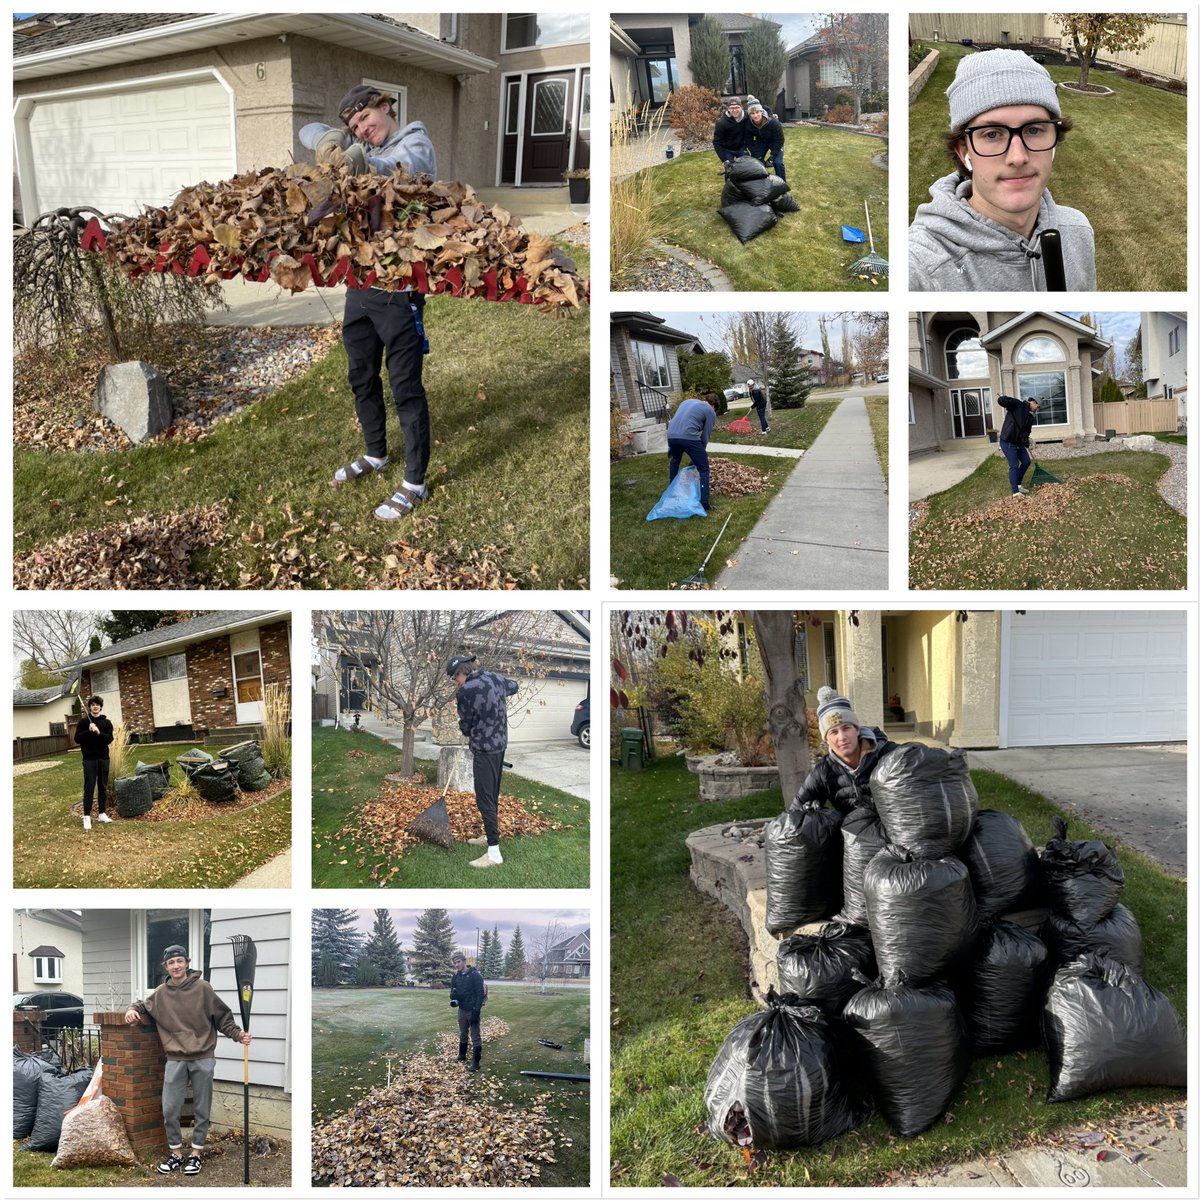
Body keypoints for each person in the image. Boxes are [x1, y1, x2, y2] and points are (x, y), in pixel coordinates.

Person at [299, 86, 439, 521]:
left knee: (405, 388)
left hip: (398, 290)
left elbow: (401, 169)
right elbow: (309, 129)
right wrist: (330, 140)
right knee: (360, 375)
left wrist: (363, 161)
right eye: (355, 127)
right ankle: (376, 452)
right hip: (360, 284)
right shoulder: (361, 143)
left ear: (386, 107)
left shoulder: (415, 142)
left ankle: (415, 483)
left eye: (366, 120)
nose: (363, 130)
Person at [909, 49, 1095, 291]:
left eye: (1034, 130)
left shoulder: (1078, 231)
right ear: (963, 151)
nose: (1018, 157)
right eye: (992, 134)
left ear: (1055, 140)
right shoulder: (921, 266)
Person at [124, 945, 251, 1178]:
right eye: (171, 963)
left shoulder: (203, 988)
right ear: (166, 967)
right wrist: (132, 1009)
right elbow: (143, 1005)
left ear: (187, 962)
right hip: (175, 1058)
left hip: (203, 1057)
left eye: (180, 961)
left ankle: (195, 1154)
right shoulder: (161, 993)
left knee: (201, 1109)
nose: (176, 966)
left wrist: (238, 1035)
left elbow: (222, 1018)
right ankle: (176, 1154)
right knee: (170, 1108)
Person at [448, 654, 519, 869]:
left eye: (454, 678)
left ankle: (494, 853)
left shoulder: (465, 692)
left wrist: (466, 729)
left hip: (484, 750)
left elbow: (466, 724)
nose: (455, 682)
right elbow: (514, 686)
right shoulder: (494, 678)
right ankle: (489, 836)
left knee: (484, 799)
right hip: (500, 746)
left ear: (461, 672)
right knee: (492, 795)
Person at [791, 687, 899, 814]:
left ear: (857, 730)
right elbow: (796, 811)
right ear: (826, 739)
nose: (842, 737)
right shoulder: (824, 771)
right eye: (834, 732)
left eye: (846, 728)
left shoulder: (887, 754)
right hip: (854, 832)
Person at [666, 392, 719, 513]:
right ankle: (704, 504)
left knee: (675, 462)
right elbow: (705, 436)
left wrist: (671, 446)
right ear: (714, 406)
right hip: (688, 436)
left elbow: (678, 422)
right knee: (704, 468)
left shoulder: (686, 402)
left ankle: (672, 494)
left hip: (671, 435)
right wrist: (700, 455)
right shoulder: (710, 411)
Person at [74, 695, 114, 831]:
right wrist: (88, 731)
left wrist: (98, 732)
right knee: (89, 787)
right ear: (90, 707)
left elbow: (109, 739)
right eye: (92, 705)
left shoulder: (106, 723)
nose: (95, 706)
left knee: (102, 786)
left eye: (97, 704)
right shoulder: (84, 722)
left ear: (100, 707)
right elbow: (77, 739)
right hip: (89, 760)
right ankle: (86, 816)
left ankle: (102, 813)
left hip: (103, 759)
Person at [449, 951, 488, 1073]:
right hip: (462, 1009)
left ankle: (476, 1063)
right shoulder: (456, 976)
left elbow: (480, 994)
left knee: (475, 1036)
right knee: (463, 1033)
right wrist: (453, 995)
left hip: (473, 1010)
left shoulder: (475, 975)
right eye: (455, 963)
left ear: (465, 961)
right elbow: (452, 994)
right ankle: (462, 1055)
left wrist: (476, 1011)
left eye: (459, 962)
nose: (457, 965)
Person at [996, 393, 1040, 497]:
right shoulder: (1018, 405)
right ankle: (1015, 492)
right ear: (1033, 402)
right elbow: (1002, 402)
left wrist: (1025, 439)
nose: (1037, 409)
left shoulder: (1030, 417)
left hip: (1018, 443)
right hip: (1008, 441)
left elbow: (1027, 431)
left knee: (1026, 462)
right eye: (1038, 407)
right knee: (1014, 465)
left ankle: (1018, 484)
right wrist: (1003, 400)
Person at [745, 101, 786, 181]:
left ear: (761, 111)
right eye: (752, 113)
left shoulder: (773, 122)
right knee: (755, 162)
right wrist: (758, 156)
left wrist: (771, 157)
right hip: (761, 142)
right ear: (749, 115)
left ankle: (782, 185)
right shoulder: (748, 124)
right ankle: (758, 183)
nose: (755, 115)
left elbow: (780, 140)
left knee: (777, 163)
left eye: (757, 112)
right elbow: (749, 142)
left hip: (775, 143)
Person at [712, 97, 748, 166]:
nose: (734, 110)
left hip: (741, 148)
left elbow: (759, 110)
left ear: (741, 107)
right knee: (729, 171)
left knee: (746, 168)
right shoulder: (721, 123)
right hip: (727, 149)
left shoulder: (746, 116)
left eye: (737, 107)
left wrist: (771, 115)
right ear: (728, 109)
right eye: (732, 108)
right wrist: (724, 159)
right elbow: (716, 142)